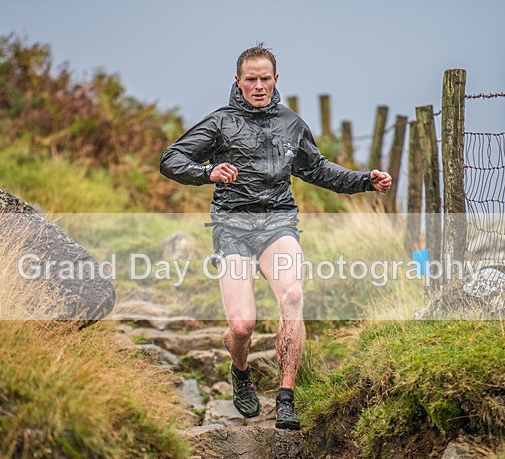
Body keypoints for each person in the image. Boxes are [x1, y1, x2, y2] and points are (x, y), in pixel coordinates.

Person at [160, 43, 391, 430]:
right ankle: (241, 371)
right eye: (251, 79)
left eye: (265, 79)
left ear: (276, 80)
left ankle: (286, 398)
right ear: (238, 81)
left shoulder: (291, 124)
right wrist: (207, 172)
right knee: (241, 326)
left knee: (293, 295)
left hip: (278, 223)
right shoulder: (220, 122)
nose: (259, 86)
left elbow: (318, 170)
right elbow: (171, 159)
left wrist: (364, 180)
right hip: (232, 226)